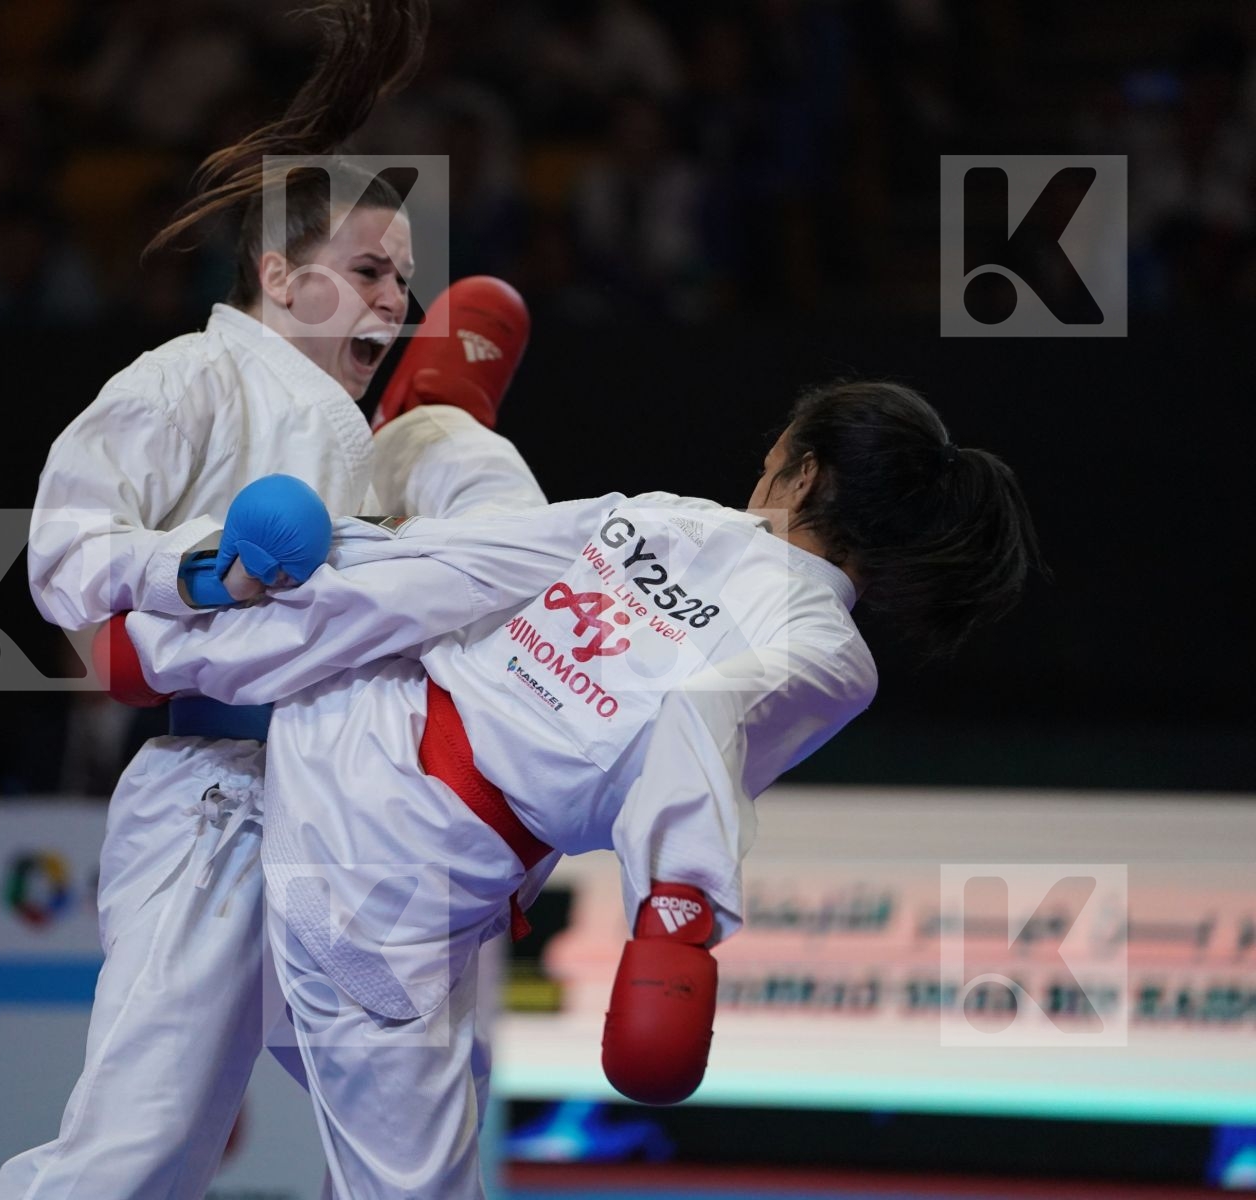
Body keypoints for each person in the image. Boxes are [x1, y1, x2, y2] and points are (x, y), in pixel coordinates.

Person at [102, 379, 1045, 1197]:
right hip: (370, 890)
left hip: (335, 730)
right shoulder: (832, 655)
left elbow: (449, 571)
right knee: (407, 1172)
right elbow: (700, 727)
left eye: (772, 461)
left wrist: (173, 645)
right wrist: (676, 913)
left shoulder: (673, 513)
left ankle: (432, 416)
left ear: (804, 475)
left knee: (477, 519)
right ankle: (436, 420)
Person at [0, 2, 546, 1195]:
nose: (394, 301)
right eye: (364, 272)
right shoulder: (184, 379)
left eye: (404, 277)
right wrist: (202, 570)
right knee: (147, 1139)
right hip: (219, 802)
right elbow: (64, 554)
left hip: (362, 814)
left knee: (418, 1148)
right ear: (279, 274)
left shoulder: (372, 442)